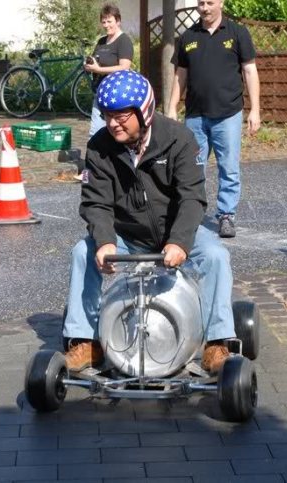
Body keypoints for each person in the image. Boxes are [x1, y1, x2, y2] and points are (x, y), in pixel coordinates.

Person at [63, 70, 236, 374]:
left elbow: (192, 198)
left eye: (120, 116)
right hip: (126, 235)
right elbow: (95, 202)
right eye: (107, 116)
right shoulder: (99, 147)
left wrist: (180, 241)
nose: (113, 123)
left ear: (143, 112)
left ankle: (216, 343)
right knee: (81, 252)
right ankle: (87, 341)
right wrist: (104, 241)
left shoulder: (178, 139)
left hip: (174, 232)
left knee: (215, 255)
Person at [167, 0, 261, 238]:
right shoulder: (188, 36)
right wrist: (171, 108)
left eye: (210, 2)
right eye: (201, 3)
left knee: (228, 168)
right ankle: (192, 213)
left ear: (221, 2)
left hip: (228, 114)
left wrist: (255, 109)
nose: (205, 8)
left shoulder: (237, 32)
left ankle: (226, 215)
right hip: (195, 116)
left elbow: (250, 71)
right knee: (191, 168)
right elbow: (180, 75)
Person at [73, 3, 133, 181]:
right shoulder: (101, 42)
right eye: (104, 22)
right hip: (100, 92)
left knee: (119, 133)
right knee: (95, 132)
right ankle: (91, 171)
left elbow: (124, 67)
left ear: (118, 21)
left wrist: (99, 70)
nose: (107, 25)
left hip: (116, 96)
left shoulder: (124, 41)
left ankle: (121, 169)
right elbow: (96, 62)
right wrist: (89, 66)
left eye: (110, 21)